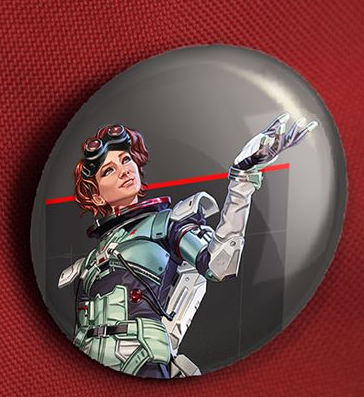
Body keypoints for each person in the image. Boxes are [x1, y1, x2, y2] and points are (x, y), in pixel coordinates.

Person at [57, 114, 316, 377]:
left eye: (126, 159)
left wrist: (241, 179)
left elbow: (218, 265)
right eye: (108, 170)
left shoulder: (165, 224)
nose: (124, 170)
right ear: (97, 196)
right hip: (88, 365)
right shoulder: (88, 262)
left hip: (141, 358)